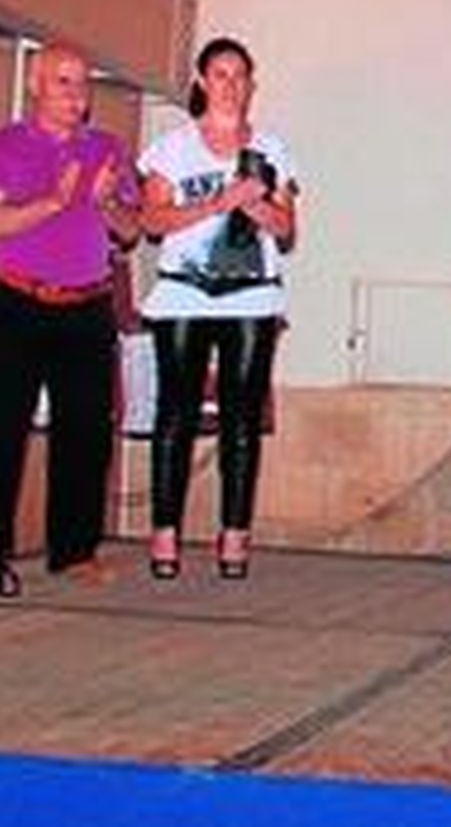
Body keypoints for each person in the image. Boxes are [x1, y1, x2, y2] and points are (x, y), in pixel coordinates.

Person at [137, 37, 298, 581]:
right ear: (203, 82)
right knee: (176, 413)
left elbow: (286, 229)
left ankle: (235, 535)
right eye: (221, 74)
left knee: (242, 418)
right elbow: (151, 221)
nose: (231, 85)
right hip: (184, 290)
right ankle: (165, 534)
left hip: (253, 292)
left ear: (251, 84)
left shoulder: (271, 150)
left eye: (240, 75)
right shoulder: (172, 148)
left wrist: (256, 204)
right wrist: (214, 203)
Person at [0, 43, 139, 595]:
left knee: (86, 433)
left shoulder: (107, 147)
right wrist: (51, 203)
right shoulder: (0, 145)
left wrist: (102, 204)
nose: (76, 96)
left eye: (82, 84)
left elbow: (129, 232)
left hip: (86, 308)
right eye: (63, 83)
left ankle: (74, 551)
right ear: (35, 84)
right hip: (14, 304)